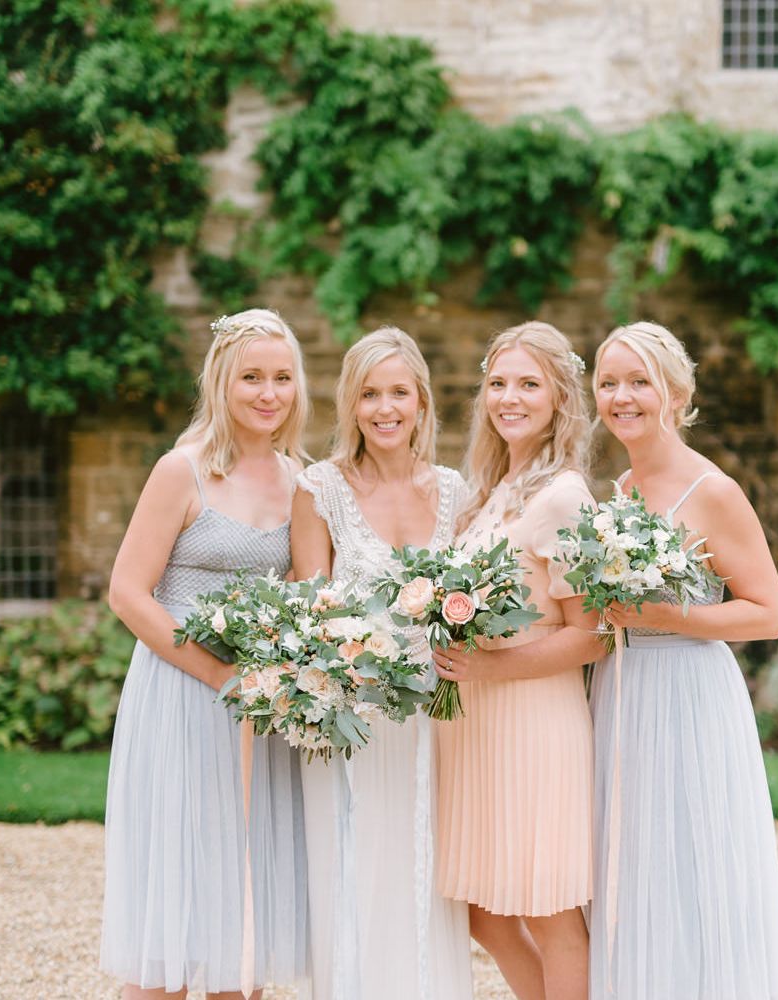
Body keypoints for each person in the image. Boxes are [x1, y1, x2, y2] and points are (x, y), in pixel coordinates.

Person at [100, 308, 310, 999]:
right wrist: (222, 675)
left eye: (282, 378)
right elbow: (129, 594)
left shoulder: (299, 483)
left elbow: (313, 597)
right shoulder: (180, 470)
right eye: (252, 377)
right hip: (181, 694)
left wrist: (285, 676)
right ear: (222, 380)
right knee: (177, 899)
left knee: (243, 899)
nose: (268, 393)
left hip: (261, 706)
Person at [589, 321, 778, 999]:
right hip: (623, 694)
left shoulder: (713, 492)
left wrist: (671, 617)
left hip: (690, 693)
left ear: (675, 393)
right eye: (608, 382)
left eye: (639, 381)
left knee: (694, 867)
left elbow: (768, 613)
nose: (623, 396)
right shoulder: (619, 491)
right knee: (634, 870)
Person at [290, 326, 473, 1000]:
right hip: (355, 719)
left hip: (436, 717)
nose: (385, 408)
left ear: (422, 402)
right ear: (351, 403)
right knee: (355, 869)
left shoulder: (455, 491)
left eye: (399, 392)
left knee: (425, 877)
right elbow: (309, 610)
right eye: (370, 393)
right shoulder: (321, 488)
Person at [432, 321, 602, 1000]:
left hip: (535, 724)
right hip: (475, 728)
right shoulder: (488, 494)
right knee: (481, 908)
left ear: (560, 397)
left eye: (529, 384)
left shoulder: (565, 497)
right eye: (498, 383)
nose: (510, 397)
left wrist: (492, 669)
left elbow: (593, 635)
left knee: (547, 907)